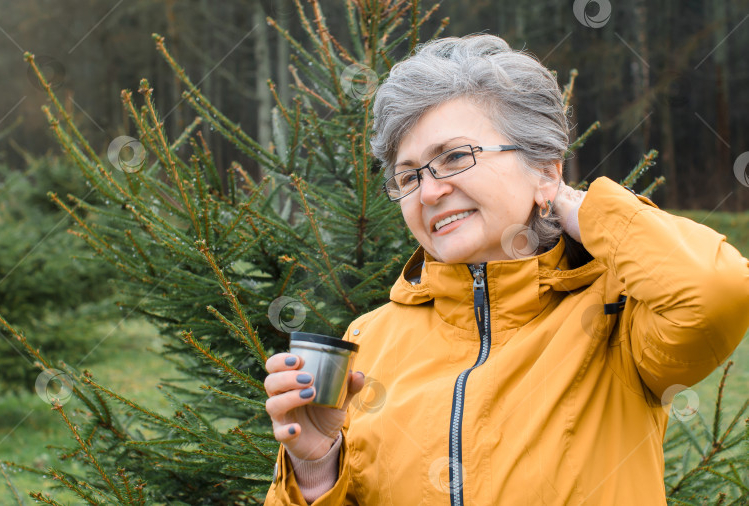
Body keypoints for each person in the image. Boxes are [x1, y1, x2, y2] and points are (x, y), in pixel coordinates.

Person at [263, 34, 749, 505]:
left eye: (454, 157)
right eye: (408, 175)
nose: (428, 193)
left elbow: (716, 290)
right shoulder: (370, 341)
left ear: (545, 167)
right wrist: (314, 469)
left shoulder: (618, 315)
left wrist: (569, 203)